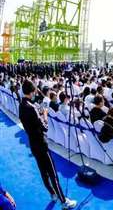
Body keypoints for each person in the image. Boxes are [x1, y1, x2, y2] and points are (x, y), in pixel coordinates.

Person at [18, 80, 76, 209]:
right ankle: (63, 201)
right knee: (52, 173)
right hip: (41, 143)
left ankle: (53, 194)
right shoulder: (32, 108)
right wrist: (43, 115)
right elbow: (45, 128)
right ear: (32, 92)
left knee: (43, 172)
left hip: (32, 143)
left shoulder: (21, 105)